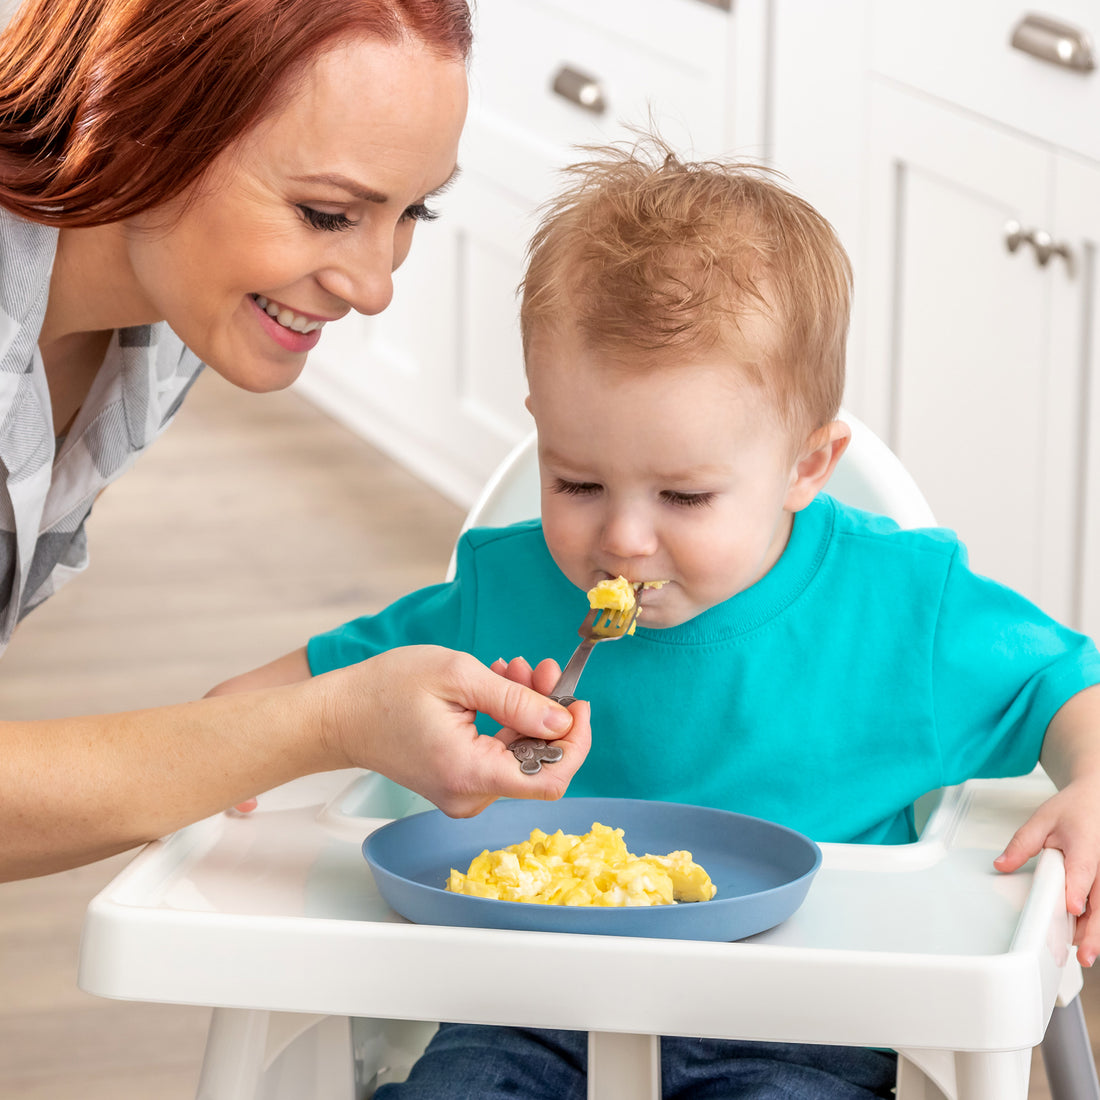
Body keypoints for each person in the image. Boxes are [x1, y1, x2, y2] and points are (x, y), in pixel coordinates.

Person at [209, 135, 1100, 1098]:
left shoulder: (899, 606)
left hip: (806, 1024)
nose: (622, 541)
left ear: (806, 466)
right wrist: (222, 739)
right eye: (577, 480)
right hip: (527, 1008)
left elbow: (1060, 680)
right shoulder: (502, 593)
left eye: (684, 497)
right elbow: (324, 689)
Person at [0, 0, 592, 884]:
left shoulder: (165, 323)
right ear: (137, 122)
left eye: (412, 214)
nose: (374, 285)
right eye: (325, 213)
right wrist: (331, 722)